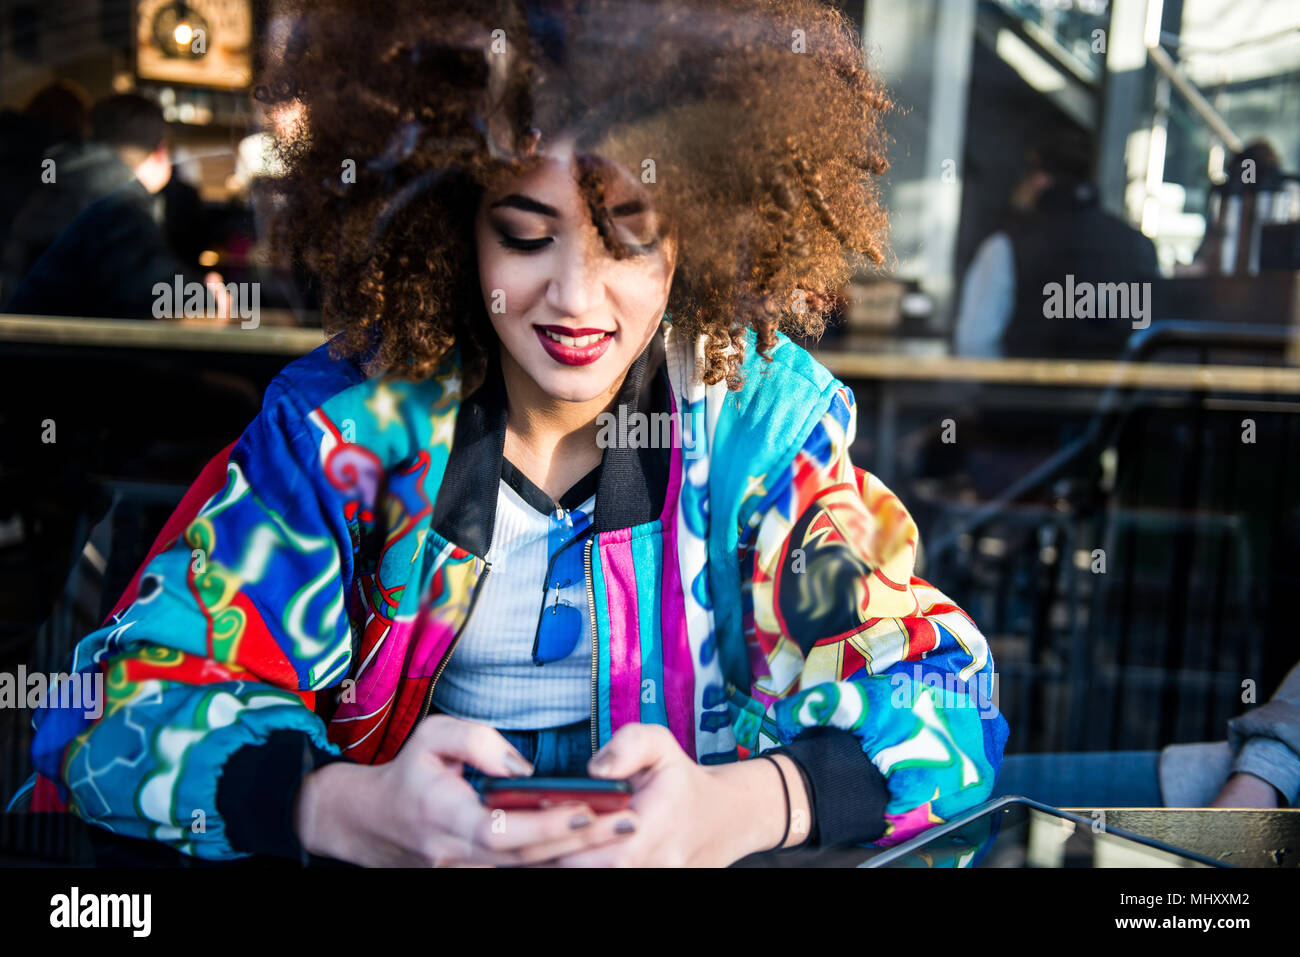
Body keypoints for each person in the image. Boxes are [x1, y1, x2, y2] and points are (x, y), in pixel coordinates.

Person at [18, 0, 1006, 866]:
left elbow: (947, 702)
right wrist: (341, 807)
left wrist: (739, 810)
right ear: (450, 233)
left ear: (699, 238)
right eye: (525, 234)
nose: (575, 295)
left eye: (629, 235)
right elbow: (105, 716)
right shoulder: (345, 436)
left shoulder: (758, 430)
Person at [3, 93, 228, 319]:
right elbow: (150, 288)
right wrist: (208, 295)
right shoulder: (115, 203)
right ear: (160, 152)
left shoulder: (66, 184)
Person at [953, 125, 1160, 360]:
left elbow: (974, 343)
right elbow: (1148, 339)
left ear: (1039, 178)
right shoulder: (1139, 247)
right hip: (1113, 395)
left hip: (1019, 394)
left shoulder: (1007, 246)